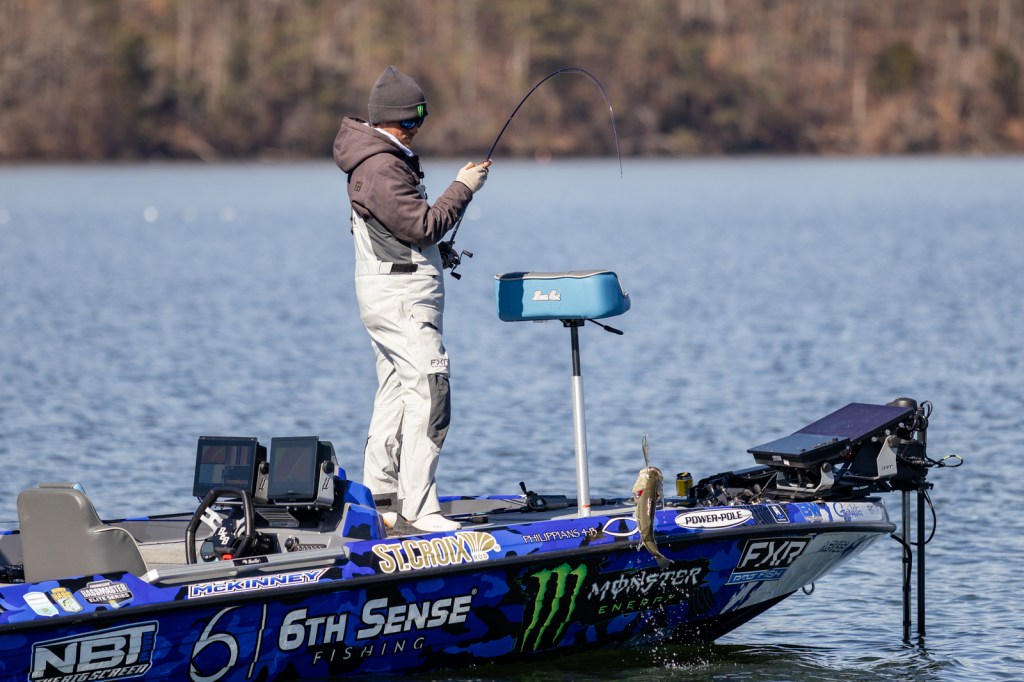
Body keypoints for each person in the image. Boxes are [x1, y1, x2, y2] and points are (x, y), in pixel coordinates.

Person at [333, 66, 490, 533]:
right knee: (431, 389)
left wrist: (435, 253)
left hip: (389, 295)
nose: (417, 128)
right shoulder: (382, 167)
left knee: (397, 393)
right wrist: (463, 188)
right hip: (401, 300)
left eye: (420, 119)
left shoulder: (379, 159)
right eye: (411, 120)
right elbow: (424, 225)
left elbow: (403, 234)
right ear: (391, 119)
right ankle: (420, 509)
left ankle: (381, 500)